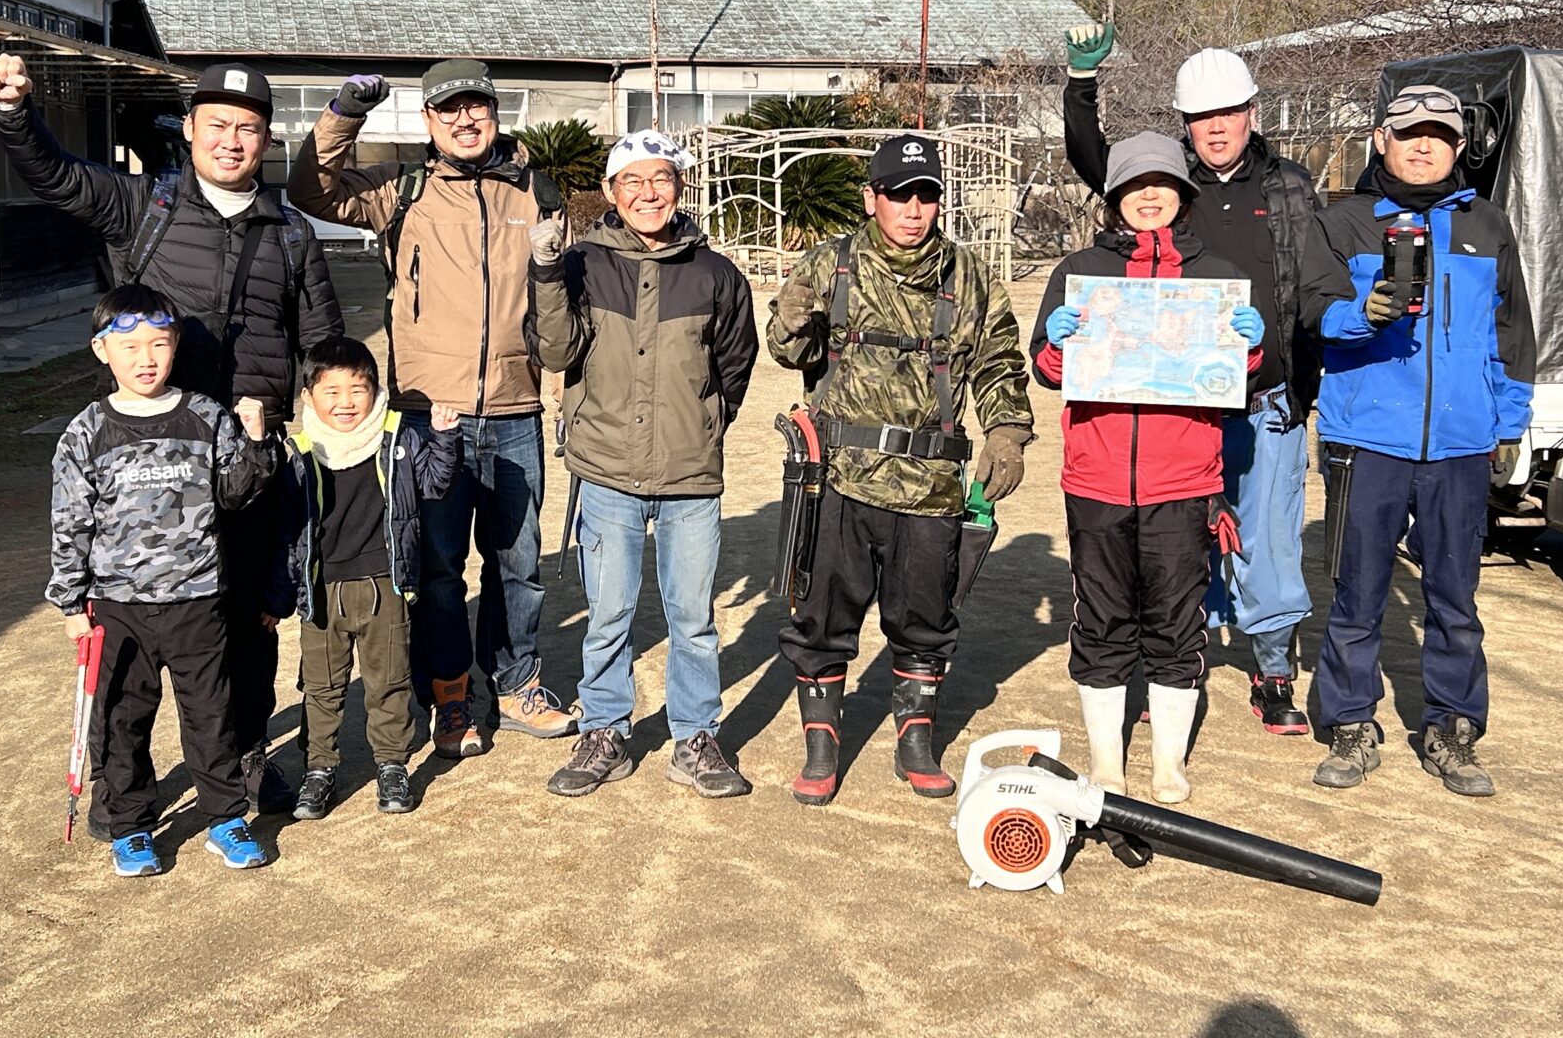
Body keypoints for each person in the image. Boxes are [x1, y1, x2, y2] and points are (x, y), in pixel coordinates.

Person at [0, 54, 342, 820]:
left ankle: (245, 758)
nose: (232, 140)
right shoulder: (142, 204)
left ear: (267, 139)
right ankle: (124, 790)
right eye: (217, 125)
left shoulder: (291, 233)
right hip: (147, 465)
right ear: (189, 129)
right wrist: (14, 112)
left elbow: (322, 342)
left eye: (248, 128)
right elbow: (54, 175)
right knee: (133, 640)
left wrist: (325, 435)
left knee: (249, 623)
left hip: (249, 457)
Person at [285, 62, 574, 757]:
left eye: (477, 106)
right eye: (450, 109)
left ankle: (517, 682)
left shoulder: (536, 192)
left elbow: (559, 301)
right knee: (438, 569)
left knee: (518, 564)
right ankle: (448, 694)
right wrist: (343, 113)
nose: (465, 120)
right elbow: (310, 189)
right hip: (426, 411)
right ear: (428, 121)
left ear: (496, 113)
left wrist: (564, 391)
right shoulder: (402, 188)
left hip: (514, 409)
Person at [1063, 31, 1322, 735]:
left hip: (1266, 401)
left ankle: (1274, 670)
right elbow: (1096, 161)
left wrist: (1307, 377)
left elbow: (1316, 286)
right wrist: (1081, 86)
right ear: (1184, 123)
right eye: (1201, 116)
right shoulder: (1170, 185)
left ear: (1252, 113)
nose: (1215, 127)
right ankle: (1173, 670)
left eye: (1228, 112)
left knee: (1269, 543)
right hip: (1180, 409)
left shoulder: (1289, 187)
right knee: (1180, 549)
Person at [768, 134, 1033, 806]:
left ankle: (915, 741)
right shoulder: (831, 264)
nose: (914, 210)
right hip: (838, 479)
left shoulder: (969, 276)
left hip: (930, 484)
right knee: (821, 616)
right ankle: (822, 745)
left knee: (925, 619)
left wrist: (1007, 432)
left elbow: (999, 361)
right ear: (872, 198)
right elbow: (788, 351)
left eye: (926, 196)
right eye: (899, 195)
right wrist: (792, 320)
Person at [1298, 85, 1533, 798]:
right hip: (1368, 440)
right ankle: (1350, 722)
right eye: (1408, 133)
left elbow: (1512, 332)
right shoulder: (1342, 222)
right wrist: (1361, 314)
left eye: (1439, 134)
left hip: (1460, 445)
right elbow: (1311, 309)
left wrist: (1508, 422)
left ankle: (1452, 728)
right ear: (1381, 141)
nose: (1423, 145)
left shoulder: (1487, 225)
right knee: (1357, 592)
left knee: (1455, 598)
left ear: (1459, 147)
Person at [1030, 133, 1266, 806]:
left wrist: (1248, 349)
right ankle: (1107, 763)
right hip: (1096, 479)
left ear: (1183, 195)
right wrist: (1058, 343)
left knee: (1175, 620)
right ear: (1114, 198)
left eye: (1162, 183)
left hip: (1184, 482)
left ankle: (1168, 762)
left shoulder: (1215, 275)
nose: (1149, 195)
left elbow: (1239, 381)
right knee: (1101, 619)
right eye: (1135, 186)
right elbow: (1046, 370)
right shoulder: (1079, 271)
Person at [527, 131, 759, 800]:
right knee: (609, 615)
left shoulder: (715, 274)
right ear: (610, 191)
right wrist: (547, 272)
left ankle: (695, 737)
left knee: (693, 620)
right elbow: (555, 351)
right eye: (632, 180)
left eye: (661, 179)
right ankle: (604, 731)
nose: (648, 193)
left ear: (680, 188)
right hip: (606, 472)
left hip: (690, 478)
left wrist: (703, 424)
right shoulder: (580, 264)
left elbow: (735, 365)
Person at [47, 283, 280, 876]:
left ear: (176, 345)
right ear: (102, 351)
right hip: (117, 606)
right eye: (129, 346)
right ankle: (129, 824)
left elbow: (236, 494)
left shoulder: (204, 416)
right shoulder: (86, 432)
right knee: (121, 718)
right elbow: (70, 521)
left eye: (158, 343)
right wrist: (71, 602)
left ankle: (225, 817)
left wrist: (257, 442)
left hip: (197, 600)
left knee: (211, 714)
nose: (145, 358)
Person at [266, 337, 462, 819]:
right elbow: (285, 532)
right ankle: (319, 768)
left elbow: (434, 484)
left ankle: (392, 764)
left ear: (375, 391)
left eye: (357, 389)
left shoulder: (396, 439)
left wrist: (444, 438)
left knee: (388, 683)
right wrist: (278, 596)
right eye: (331, 391)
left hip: (385, 584)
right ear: (308, 396)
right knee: (321, 688)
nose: (346, 402)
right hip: (322, 590)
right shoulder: (300, 452)